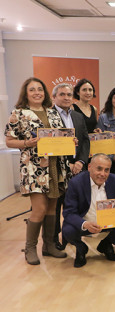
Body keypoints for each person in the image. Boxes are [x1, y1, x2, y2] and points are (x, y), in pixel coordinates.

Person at [4, 77, 71, 265]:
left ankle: (48, 246)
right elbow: (9, 140)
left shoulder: (53, 112)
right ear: (26, 93)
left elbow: (60, 136)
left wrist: (69, 141)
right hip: (34, 168)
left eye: (40, 89)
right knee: (39, 209)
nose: (37, 93)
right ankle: (30, 248)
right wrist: (27, 143)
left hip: (56, 166)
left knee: (52, 208)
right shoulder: (18, 113)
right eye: (32, 90)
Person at [62, 154, 115, 267]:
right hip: (86, 223)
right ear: (89, 167)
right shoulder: (76, 183)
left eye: (107, 170)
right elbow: (68, 212)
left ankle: (106, 244)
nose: (103, 174)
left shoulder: (114, 180)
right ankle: (81, 248)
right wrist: (85, 224)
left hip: (108, 221)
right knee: (68, 230)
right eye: (99, 169)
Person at [52, 83, 90, 250]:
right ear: (54, 97)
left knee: (73, 204)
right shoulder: (49, 116)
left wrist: (81, 162)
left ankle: (69, 236)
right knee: (56, 206)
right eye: (62, 94)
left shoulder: (77, 116)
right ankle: (54, 240)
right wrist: (68, 163)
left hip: (77, 169)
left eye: (68, 94)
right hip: (57, 168)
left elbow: (85, 140)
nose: (66, 97)